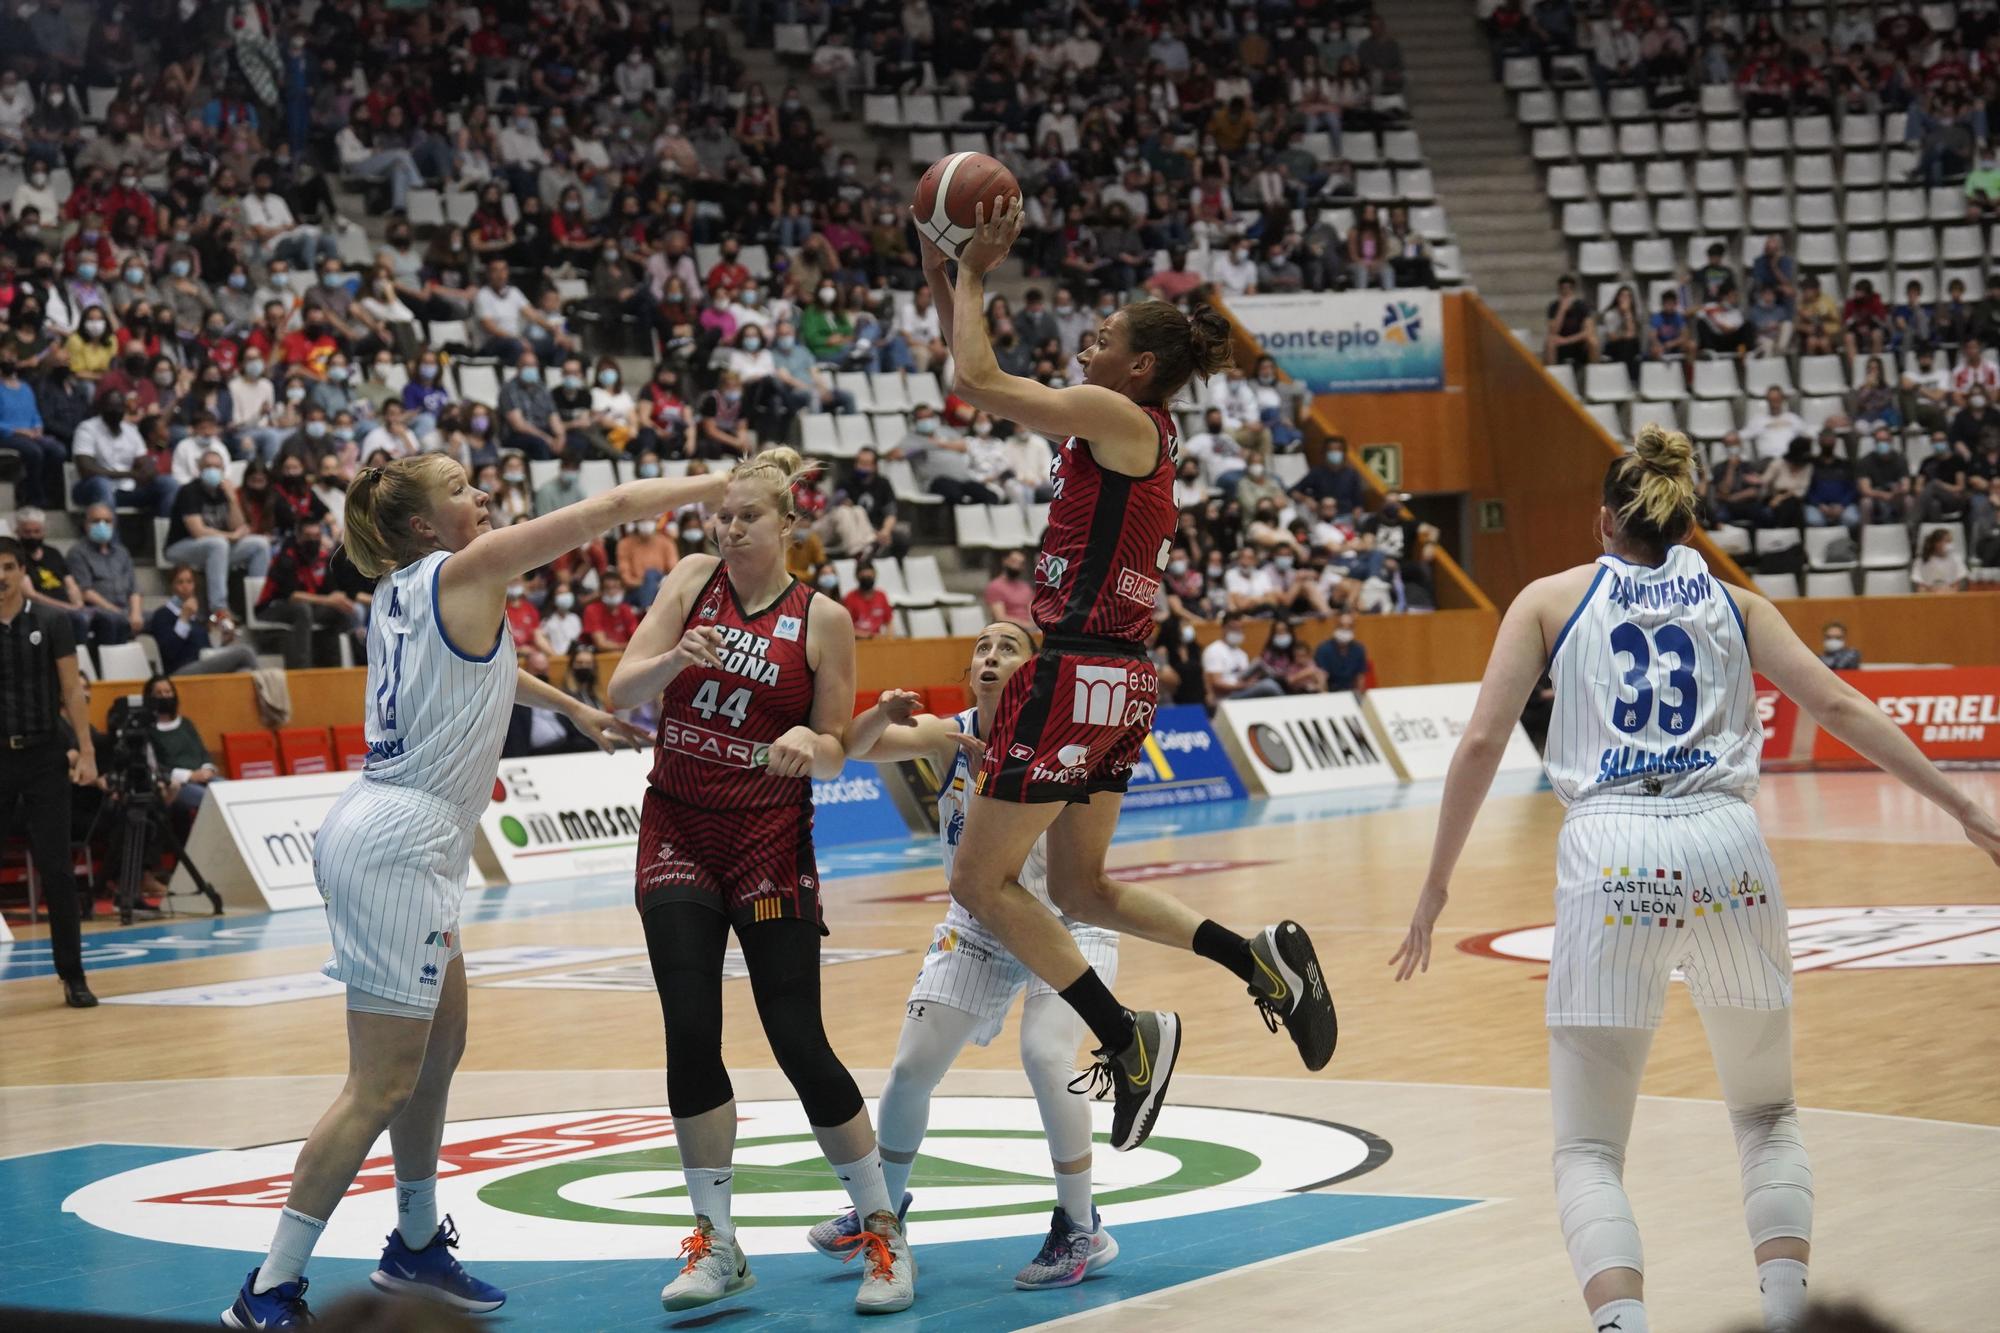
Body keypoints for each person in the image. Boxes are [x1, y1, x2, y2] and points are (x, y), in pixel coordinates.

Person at [1388, 423, 2000, 1333]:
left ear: (1604, 520)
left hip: (1611, 851)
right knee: (1765, 1114)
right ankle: (1791, 1316)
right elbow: (1837, 704)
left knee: (1591, 1146)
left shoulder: (1550, 599)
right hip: (1728, 848)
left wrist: (1435, 885)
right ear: (1685, 520)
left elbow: (1481, 740)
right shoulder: (1739, 604)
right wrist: (1964, 807)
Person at [222, 452, 720, 1327]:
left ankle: (415, 1243)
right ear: (422, 523)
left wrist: (568, 707)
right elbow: (608, 504)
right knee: (377, 1084)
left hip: (394, 832)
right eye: (461, 488)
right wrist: (713, 486)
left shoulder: (404, 586)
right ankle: (269, 1286)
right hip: (399, 847)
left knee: (441, 1042)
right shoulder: (469, 567)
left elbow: (482, 669)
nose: (483, 493)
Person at [927, 194, 1337, 1154]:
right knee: (1080, 888)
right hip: (1120, 678)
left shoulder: (1119, 414)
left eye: (1102, 335)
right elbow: (967, 352)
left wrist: (977, 270)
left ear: (1140, 365)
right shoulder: (1112, 427)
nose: (1084, 344)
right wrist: (943, 257)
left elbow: (978, 377)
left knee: (978, 882)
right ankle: (1259, 959)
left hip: (1073, 671)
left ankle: (1126, 1034)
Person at [604, 448, 916, 1315]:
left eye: (747, 515)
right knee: (690, 1028)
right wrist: (671, 662)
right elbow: (622, 682)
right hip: (677, 824)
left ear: (788, 525)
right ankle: (718, 1242)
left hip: (769, 836)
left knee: (795, 1035)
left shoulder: (822, 617)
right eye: (723, 514)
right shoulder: (691, 580)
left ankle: (882, 1229)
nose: (729, 526)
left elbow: (837, 743)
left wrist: (808, 747)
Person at [813, 624, 1124, 1287]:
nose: (991, 656)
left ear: (1034, 671)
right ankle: (881, 1208)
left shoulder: (1061, 743)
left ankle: (1082, 1225)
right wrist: (879, 716)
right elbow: (850, 751)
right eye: (983, 648)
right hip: (980, 923)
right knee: (911, 1065)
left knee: (1045, 1054)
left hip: (1062, 921)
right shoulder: (948, 734)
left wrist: (1005, 783)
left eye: (1007, 647)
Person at [0, 536, 99, 1008]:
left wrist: (86, 751)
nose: (0, 576)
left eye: (8, 567)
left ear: (22, 572)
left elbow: (71, 689)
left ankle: (73, 975)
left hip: (44, 756)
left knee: (57, 869)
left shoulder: (53, 620)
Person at [165, 446, 272, 612]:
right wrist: (230, 536)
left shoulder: (225, 491)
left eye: (217, 467)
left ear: (223, 470)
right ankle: (219, 608)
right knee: (218, 544)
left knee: (260, 544)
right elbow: (198, 531)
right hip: (181, 547)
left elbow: (238, 526)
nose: (213, 470)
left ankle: (258, 605)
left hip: (216, 549)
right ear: (199, 469)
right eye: (208, 466)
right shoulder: (189, 491)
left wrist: (232, 499)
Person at [147, 563, 258, 674]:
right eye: (180, 582)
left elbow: (206, 651)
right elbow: (169, 651)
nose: (185, 586)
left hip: (201, 664)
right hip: (180, 669)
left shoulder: (197, 617)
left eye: (189, 582)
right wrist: (184, 618)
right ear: (172, 586)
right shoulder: (163, 614)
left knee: (244, 671)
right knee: (245, 652)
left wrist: (224, 642)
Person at [143, 673, 218, 821]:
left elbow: (202, 752)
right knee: (210, 801)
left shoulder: (186, 724)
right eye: (159, 693)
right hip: (177, 785)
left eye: (168, 692)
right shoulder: (148, 731)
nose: (164, 696)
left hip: (205, 778)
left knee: (230, 790)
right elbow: (155, 768)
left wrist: (208, 769)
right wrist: (190, 776)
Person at [68, 502, 143, 647]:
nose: (102, 525)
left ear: (114, 524)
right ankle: (113, 667)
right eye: (96, 521)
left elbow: (134, 589)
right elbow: (86, 592)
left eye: (107, 521)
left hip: (127, 609)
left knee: (165, 619)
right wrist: (117, 612)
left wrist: (136, 613)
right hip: (98, 610)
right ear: (86, 524)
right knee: (114, 619)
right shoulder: (77, 553)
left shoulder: (122, 552)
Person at [1314, 612, 1371, 691]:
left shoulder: (1358, 650)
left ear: (1353, 629)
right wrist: (1325, 699)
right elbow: (1321, 678)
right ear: (1336, 627)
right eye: (1341, 626)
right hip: (1331, 692)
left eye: (1349, 627)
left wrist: (1359, 699)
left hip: (1351, 692)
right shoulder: (1324, 649)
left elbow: (1360, 677)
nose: (1345, 630)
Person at [842, 560, 896, 638]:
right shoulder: (849, 598)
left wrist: (889, 638)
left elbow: (889, 622)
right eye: (863, 577)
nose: (867, 579)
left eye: (869, 576)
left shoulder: (881, 596)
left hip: (877, 642)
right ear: (857, 577)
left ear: (874, 575)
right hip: (857, 642)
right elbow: (845, 628)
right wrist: (869, 636)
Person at [983, 550, 1034, 625]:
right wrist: (1026, 625)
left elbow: (1032, 612)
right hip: (1007, 631)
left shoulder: (1025, 587)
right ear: (1005, 561)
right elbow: (1000, 618)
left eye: (1021, 563)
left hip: (1030, 631)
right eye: (1013, 561)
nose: (1017, 566)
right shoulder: (995, 586)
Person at [1912, 528, 1968, 592]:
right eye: (1948, 541)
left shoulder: (1956, 560)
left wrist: (1948, 592)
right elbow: (1920, 587)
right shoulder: (1920, 561)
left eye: (1951, 541)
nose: (1950, 545)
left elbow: (1958, 585)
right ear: (1937, 544)